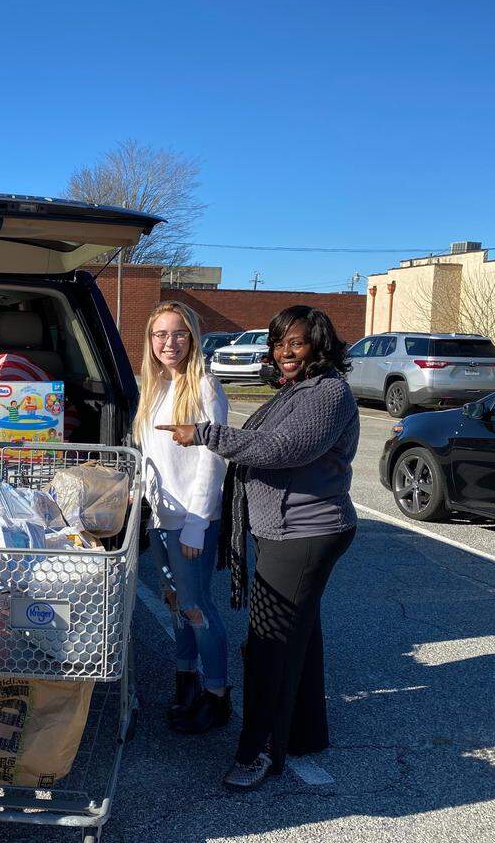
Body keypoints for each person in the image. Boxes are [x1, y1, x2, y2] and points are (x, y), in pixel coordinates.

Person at [158, 305, 359, 791]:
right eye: (278, 343)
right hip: (283, 531)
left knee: (269, 646)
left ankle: (259, 753)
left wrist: (204, 434)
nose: (285, 353)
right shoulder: (298, 391)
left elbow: (280, 449)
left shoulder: (328, 392)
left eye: (297, 343)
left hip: (305, 532)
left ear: (319, 345)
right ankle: (305, 735)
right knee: (300, 640)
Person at [135, 301, 232, 733]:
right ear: (150, 341)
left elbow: (213, 462)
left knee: (196, 606)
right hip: (161, 519)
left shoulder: (205, 388)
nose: (169, 343)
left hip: (192, 521)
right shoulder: (154, 388)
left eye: (178, 334)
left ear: (192, 338)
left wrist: (196, 524)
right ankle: (186, 684)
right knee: (176, 604)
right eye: (160, 335)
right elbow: (150, 460)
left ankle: (217, 695)